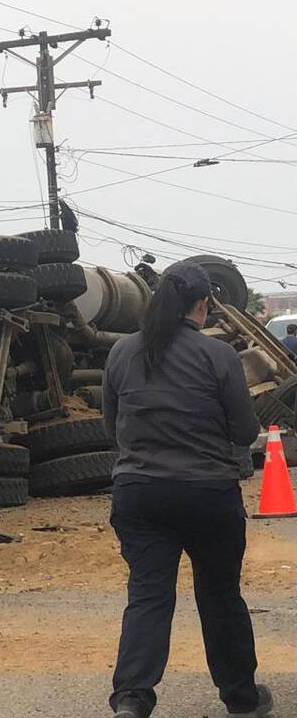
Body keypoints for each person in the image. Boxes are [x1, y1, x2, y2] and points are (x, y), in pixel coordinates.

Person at [102, 261, 272, 718]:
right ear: (202, 304)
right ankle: (241, 698)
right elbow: (242, 432)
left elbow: (111, 426)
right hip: (207, 495)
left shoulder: (121, 353)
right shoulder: (217, 356)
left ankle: (133, 698)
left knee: (148, 595)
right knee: (219, 595)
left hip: (138, 493)